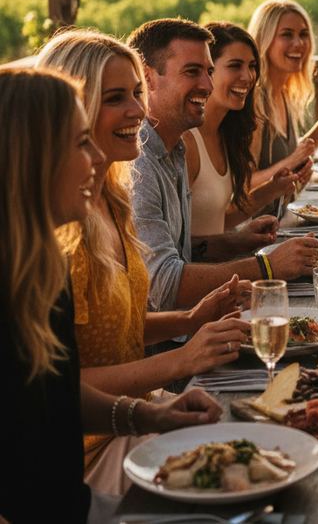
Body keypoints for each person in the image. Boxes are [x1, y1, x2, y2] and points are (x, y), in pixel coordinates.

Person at [0, 67, 222, 524]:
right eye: (80, 143)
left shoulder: (41, 269)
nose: (94, 161)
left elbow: (55, 392)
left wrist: (151, 417)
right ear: (31, 157)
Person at [37, 30, 251, 494]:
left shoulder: (111, 198)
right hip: (90, 452)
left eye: (136, 93)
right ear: (69, 112)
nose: (138, 110)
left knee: (257, 438)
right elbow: (58, 385)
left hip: (135, 415)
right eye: (117, 98)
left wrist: (190, 318)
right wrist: (179, 359)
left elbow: (111, 330)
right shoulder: (60, 235)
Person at [127, 18, 318, 311]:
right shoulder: (139, 161)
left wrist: (235, 242)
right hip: (173, 337)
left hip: (196, 317)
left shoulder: (174, 146)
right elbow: (163, 285)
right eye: (193, 72)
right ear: (147, 77)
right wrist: (267, 267)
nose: (207, 84)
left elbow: (182, 248)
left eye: (210, 72)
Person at [183, 21, 310, 254]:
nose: (248, 76)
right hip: (204, 279)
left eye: (252, 66)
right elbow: (179, 247)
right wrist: (239, 243)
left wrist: (272, 189)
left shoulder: (226, 133)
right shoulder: (188, 142)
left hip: (222, 270)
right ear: (208, 70)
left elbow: (219, 218)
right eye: (235, 66)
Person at [248, 0, 318, 212]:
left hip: (281, 217)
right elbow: (243, 185)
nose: (298, 43)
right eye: (287, 35)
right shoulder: (255, 101)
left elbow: (288, 158)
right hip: (254, 231)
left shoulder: (284, 94)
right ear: (264, 40)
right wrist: (292, 161)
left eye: (303, 34)